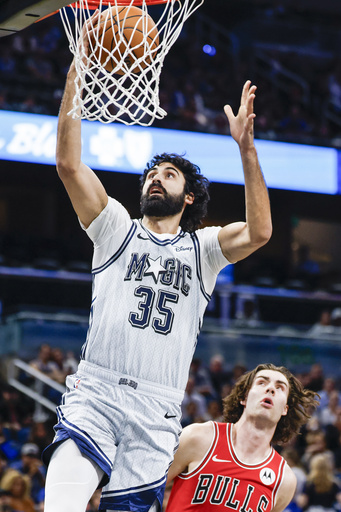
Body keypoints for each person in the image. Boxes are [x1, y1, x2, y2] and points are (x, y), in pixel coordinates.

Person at [42, 15, 272, 512]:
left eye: (167, 175)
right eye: (151, 173)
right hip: (96, 392)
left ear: (187, 197)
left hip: (157, 409)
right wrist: (78, 69)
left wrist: (247, 151)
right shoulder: (116, 228)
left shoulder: (203, 250)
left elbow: (260, 233)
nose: (154, 179)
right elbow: (68, 164)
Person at [165, 363, 319, 512]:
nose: (271, 388)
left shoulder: (284, 479)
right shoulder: (199, 437)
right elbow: (147, 491)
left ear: (285, 409)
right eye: (261, 382)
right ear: (244, 397)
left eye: (280, 388)